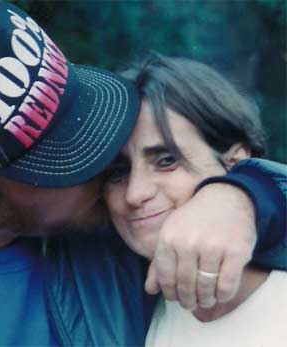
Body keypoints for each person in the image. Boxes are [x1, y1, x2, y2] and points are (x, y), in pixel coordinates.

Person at [0, 1, 286, 346]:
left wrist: (241, 194)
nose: (119, 180)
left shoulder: (117, 233)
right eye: (62, 160)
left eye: (82, 122)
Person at [104, 52, 287, 347]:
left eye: (166, 161)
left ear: (235, 162)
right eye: (118, 172)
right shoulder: (121, 300)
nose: (135, 193)